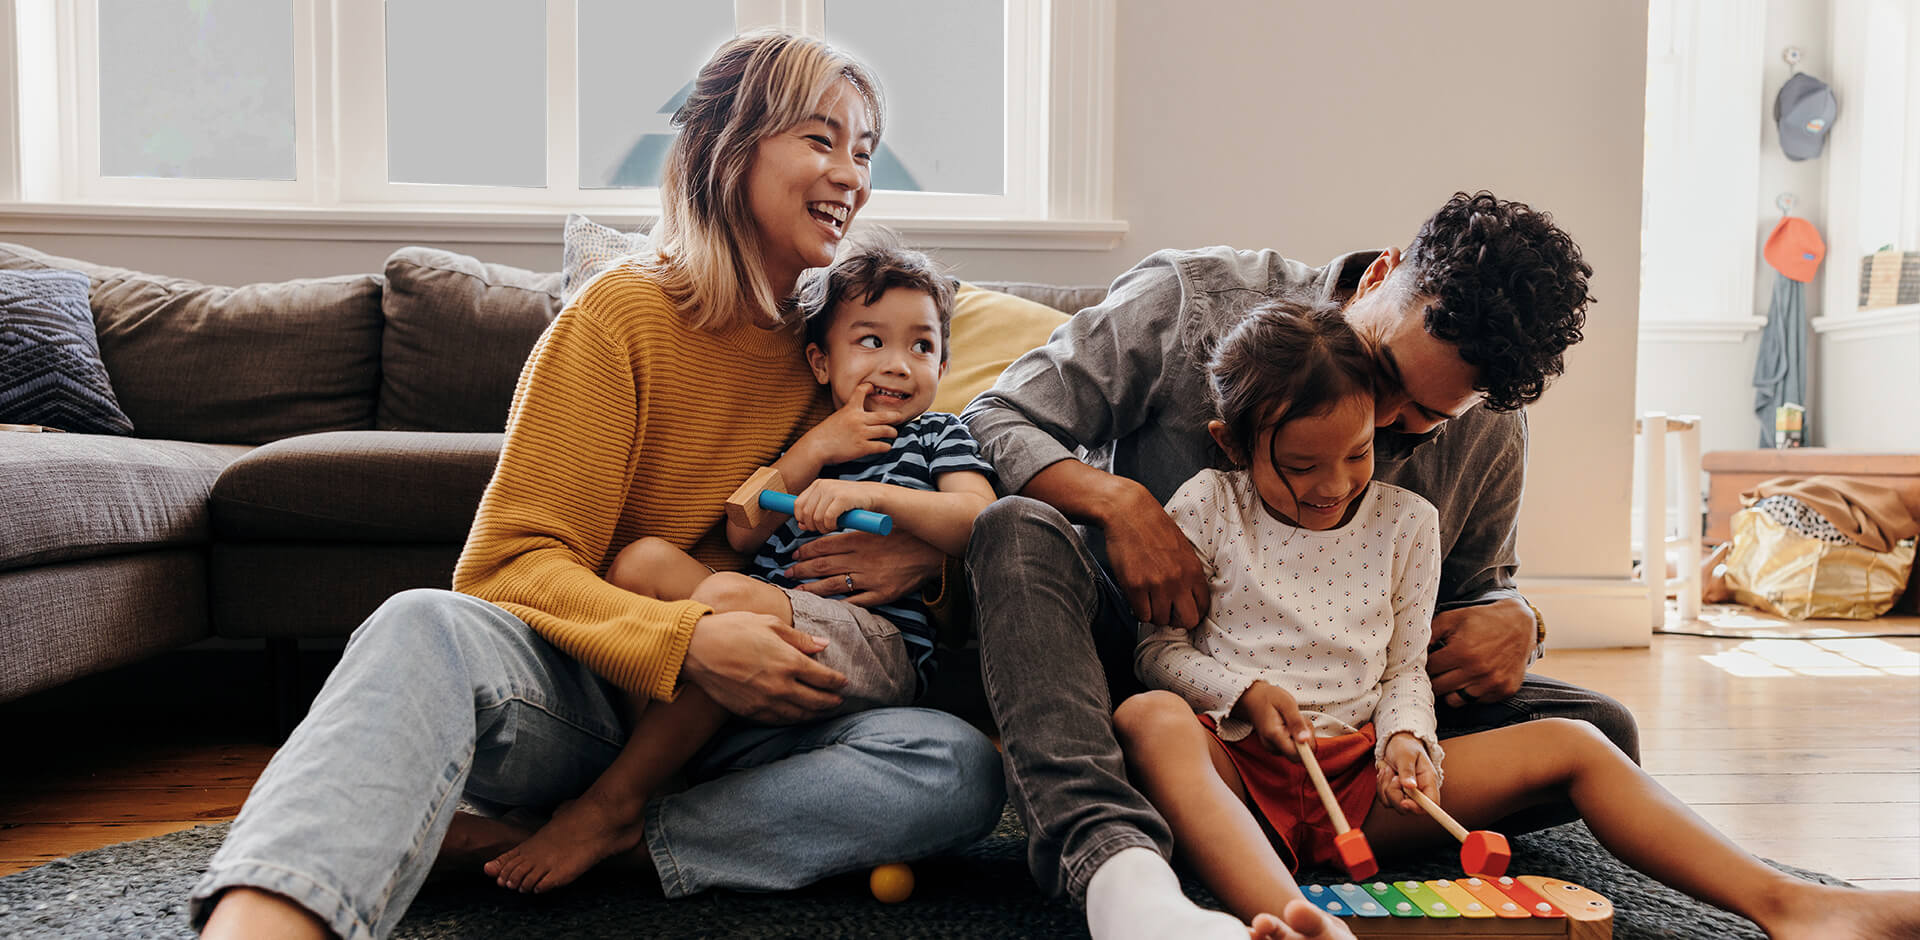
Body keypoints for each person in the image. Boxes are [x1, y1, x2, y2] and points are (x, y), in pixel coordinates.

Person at [192, 31, 1005, 939]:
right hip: (587, 702)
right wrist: (686, 643)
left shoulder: (836, 350)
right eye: (821, 140)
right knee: (421, 624)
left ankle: (607, 838)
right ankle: (271, 917)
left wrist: (917, 567)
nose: (851, 174)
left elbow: (931, 515)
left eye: (862, 151)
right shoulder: (620, 315)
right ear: (729, 147)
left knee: (955, 768)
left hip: (763, 720)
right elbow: (507, 566)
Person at [1114, 301, 1920, 939]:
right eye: (1298, 468)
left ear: (1378, 426)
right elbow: (1159, 650)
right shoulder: (1209, 506)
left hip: (1361, 779)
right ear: (1233, 442)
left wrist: (1406, 740)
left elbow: (1401, 672)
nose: (1332, 486)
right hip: (1238, 769)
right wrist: (1244, 692)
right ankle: (1300, 920)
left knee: (1577, 738)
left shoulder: (1407, 524)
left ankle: (1789, 905)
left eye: (1356, 455)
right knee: (1148, 717)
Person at [960, 192, 1637, 940]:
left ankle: (1273, 819)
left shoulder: (1492, 426)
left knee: (1601, 730)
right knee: (1015, 529)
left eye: (1422, 422)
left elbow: (1476, 589)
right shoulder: (1192, 302)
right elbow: (993, 418)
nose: (1380, 425)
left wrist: (1518, 620)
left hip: (1341, 715)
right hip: (1134, 665)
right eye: (1384, 376)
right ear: (1382, 274)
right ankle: (1112, 858)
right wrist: (1119, 504)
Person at [483, 241, 996, 894]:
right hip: (768, 618)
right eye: (871, 342)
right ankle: (661, 774)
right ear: (821, 359)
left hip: (872, 641)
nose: (897, 365)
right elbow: (743, 524)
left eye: (921, 347)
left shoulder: (938, 435)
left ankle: (615, 803)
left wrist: (876, 497)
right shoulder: (811, 438)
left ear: (944, 364)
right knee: (643, 562)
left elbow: (977, 519)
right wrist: (812, 451)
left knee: (729, 594)